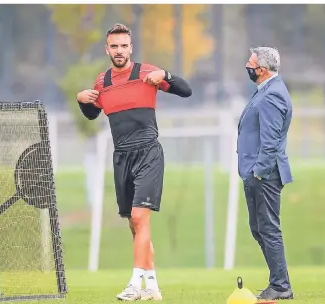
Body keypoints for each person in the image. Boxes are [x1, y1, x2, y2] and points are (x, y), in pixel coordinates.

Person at [76, 23, 192, 301]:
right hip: (121, 157)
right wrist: (82, 100)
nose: (119, 51)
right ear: (107, 49)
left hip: (148, 152)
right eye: (114, 46)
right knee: (134, 224)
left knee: (141, 218)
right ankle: (152, 286)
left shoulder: (146, 73)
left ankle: (134, 283)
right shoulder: (101, 82)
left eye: (123, 46)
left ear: (131, 48)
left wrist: (165, 75)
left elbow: (186, 90)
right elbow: (92, 115)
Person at [237, 46, 294, 300]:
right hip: (257, 173)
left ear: (261, 69)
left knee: (268, 228)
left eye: (250, 63)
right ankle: (279, 282)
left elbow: (270, 142)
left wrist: (258, 173)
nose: (247, 67)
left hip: (265, 175)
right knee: (258, 228)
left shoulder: (272, 96)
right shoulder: (265, 91)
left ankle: (281, 286)